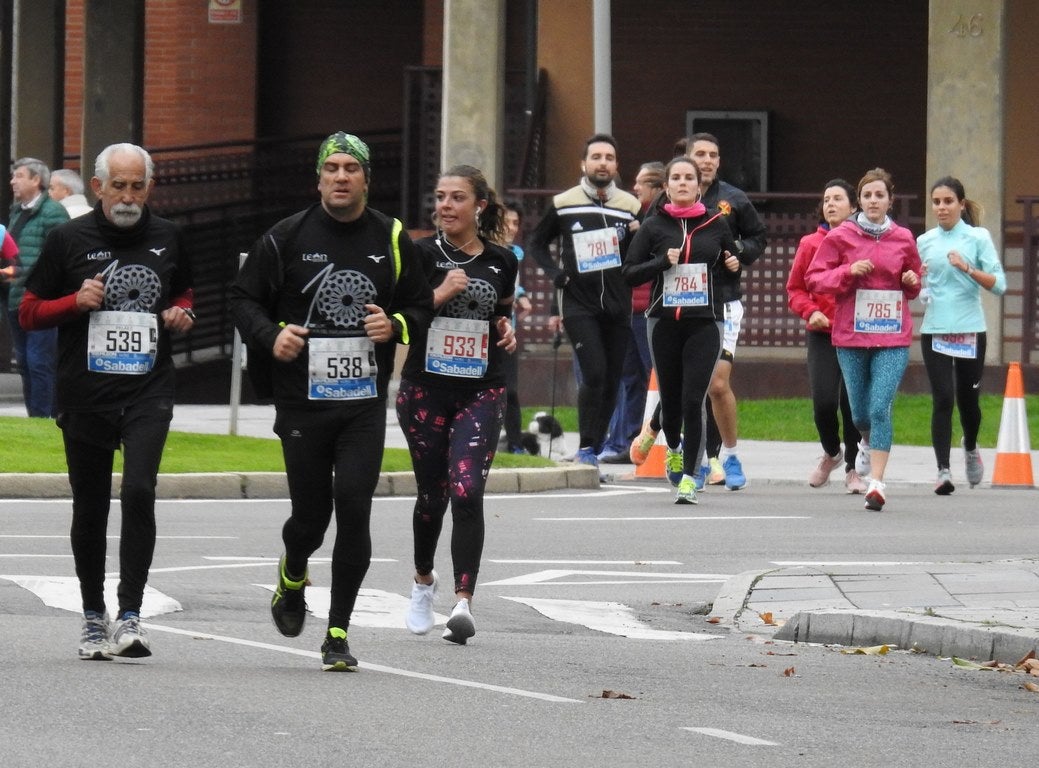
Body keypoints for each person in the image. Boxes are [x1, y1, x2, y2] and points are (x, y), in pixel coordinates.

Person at [228, 132, 433, 671]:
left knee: (355, 506)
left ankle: (338, 631)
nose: (341, 176)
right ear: (319, 178)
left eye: (351, 168)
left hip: (362, 403)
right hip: (302, 402)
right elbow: (243, 299)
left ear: (367, 178)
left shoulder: (390, 236)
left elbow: (419, 305)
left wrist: (396, 325)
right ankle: (292, 574)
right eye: (332, 168)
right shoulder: (287, 236)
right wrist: (272, 336)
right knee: (310, 518)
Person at [19, 143, 195, 660]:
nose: (127, 195)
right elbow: (28, 311)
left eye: (137, 185)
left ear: (149, 188)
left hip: (148, 388)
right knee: (91, 504)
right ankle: (93, 616)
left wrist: (182, 312)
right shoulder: (67, 239)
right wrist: (75, 302)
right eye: (118, 185)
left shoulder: (168, 237)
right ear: (97, 188)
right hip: (86, 392)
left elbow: (184, 293)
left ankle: (131, 614)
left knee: (139, 489)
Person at [397, 165, 518, 644]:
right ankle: (423, 581)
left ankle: (463, 602)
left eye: (457, 198)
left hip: (480, 388)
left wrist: (506, 331)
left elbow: (501, 313)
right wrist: (439, 292)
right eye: (440, 197)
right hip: (425, 388)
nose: (445, 206)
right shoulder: (418, 253)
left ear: (479, 206)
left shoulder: (501, 260)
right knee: (432, 496)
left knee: (467, 490)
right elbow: (400, 313)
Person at [631, 134, 768, 489]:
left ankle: (717, 457)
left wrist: (738, 256)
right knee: (684, 387)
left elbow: (756, 238)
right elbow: (640, 256)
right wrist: (661, 260)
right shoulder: (662, 207)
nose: (706, 161)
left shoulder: (731, 202)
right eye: (699, 155)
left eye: (713, 155)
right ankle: (675, 440)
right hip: (670, 312)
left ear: (718, 162)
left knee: (712, 383)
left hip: (719, 304)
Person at [622, 156, 738, 503]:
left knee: (693, 398)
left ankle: (690, 476)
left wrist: (733, 264)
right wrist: (661, 262)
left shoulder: (717, 223)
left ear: (699, 186)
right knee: (670, 402)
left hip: (705, 322)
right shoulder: (653, 227)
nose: (684, 183)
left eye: (690, 178)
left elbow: (732, 268)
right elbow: (629, 272)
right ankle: (672, 445)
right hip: (663, 322)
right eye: (677, 178)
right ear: (668, 186)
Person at [806, 168, 922, 511]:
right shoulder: (841, 236)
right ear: (860, 201)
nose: (874, 201)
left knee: (879, 406)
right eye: (868, 195)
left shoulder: (902, 237)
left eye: (880, 195)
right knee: (859, 415)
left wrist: (912, 280)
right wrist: (847, 272)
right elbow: (815, 278)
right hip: (851, 336)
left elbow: (913, 285)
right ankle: (868, 441)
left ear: (890, 200)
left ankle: (877, 483)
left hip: (891, 336)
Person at [529, 133, 642, 471]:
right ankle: (585, 448)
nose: (602, 163)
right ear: (584, 164)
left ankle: (594, 447)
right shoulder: (565, 202)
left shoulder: (630, 206)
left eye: (609, 157)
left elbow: (636, 255)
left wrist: (638, 235)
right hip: (579, 303)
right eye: (596, 157)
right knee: (594, 372)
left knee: (611, 379)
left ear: (616, 165)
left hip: (617, 305)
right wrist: (555, 275)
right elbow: (536, 243)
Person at [917, 176, 1006, 494]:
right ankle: (942, 470)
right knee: (942, 398)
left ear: (961, 204)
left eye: (948, 202)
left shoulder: (977, 237)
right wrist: (918, 281)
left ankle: (970, 447)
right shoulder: (925, 241)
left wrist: (967, 268)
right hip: (935, 330)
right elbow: (918, 287)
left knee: (968, 401)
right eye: (936, 202)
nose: (942, 208)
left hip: (969, 329)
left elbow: (999, 284)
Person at [786, 179, 867, 493]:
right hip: (821, 333)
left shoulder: (863, 241)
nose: (831, 204)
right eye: (826, 199)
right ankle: (832, 453)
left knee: (852, 405)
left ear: (853, 206)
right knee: (823, 402)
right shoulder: (810, 243)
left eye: (838, 198)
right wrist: (810, 311)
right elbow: (795, 289)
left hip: (857, 333)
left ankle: (853, 469)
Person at [598, 161, 663, 464]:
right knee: (629, 377)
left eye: (642, 183)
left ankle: (654, 442)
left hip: (649, 308)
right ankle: (626, 440)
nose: (635, 188)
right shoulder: (633, 217)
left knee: (653, 376)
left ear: (658, 187)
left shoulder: (659, 220)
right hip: (628, 307)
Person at [7, 157, 70, 417]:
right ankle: (35, 416)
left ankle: (45, 417)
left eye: (19, 175)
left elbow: (60, 255)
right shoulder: (16, 211)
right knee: (23, 361)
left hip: (41, 300)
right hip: (16, 298)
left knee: (39, 361)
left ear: (36, 180)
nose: (13, 181)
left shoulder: (53, 212)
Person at [500, 201, 533, 454]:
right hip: (483, 331)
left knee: (511, 390)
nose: (510, 228)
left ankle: (515, 444)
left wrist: (521, 294)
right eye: (506, 222)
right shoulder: (484, 251)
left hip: (508, 332)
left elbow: (511, 281)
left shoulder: (516, 253)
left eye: (515, 223)